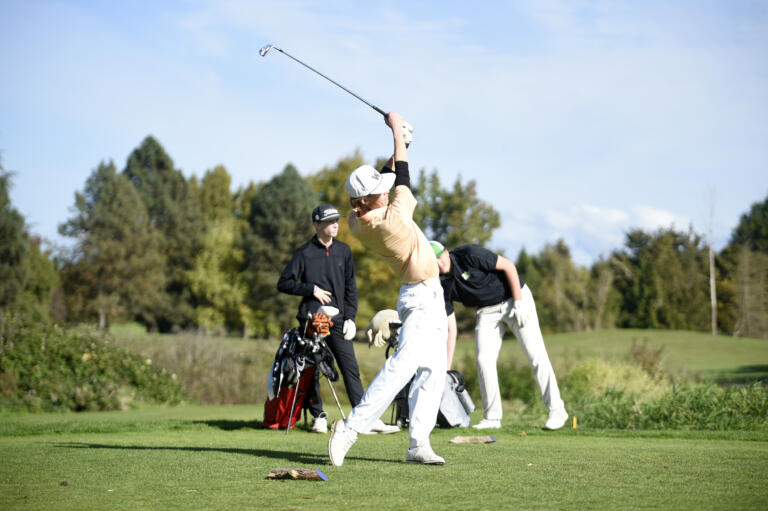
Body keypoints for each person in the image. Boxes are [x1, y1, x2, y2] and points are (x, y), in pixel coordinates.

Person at [328, 112, 448, 466]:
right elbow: (403, 180)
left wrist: (400, 146)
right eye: (379, 191)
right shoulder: (391, 219)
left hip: (430, 295)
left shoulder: (358, 217)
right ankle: (350, 430)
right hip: (420, 296)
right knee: (404, 365)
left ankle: (418, 445)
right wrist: (397, 132)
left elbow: (387, 178)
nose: (385, 191)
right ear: (367, 201)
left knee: (434, 368)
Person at [277, 204, 398, 435]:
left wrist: (351, 318)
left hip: (338, 320)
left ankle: (364, 417)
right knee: (312, 368)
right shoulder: (304, 253)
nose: (335, 224)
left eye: (337, 221)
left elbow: (351, 288)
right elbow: (284, 283)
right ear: (317, 225)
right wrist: (310, 289)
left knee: (349, 366)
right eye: (330, 221)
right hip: (312, 320)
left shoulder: (343, 251)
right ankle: (318, 416)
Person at [430, 241, 569, 431]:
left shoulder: (469, 254)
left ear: (446, 252)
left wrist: (519, 302)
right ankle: (492, 418)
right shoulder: (441, 284)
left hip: (514, 298)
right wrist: (446, 369)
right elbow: (450, 328)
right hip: (486, 312)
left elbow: (509, 266)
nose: (439, 263)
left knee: (535, 355)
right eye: (433, 261)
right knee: (483, 361)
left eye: (439, 257)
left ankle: (557, 411)